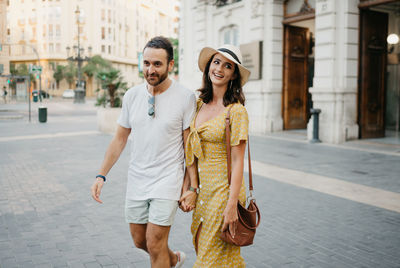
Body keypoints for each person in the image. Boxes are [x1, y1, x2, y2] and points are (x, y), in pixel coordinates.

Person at [90, 36, 196, 268]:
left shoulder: (185, 97)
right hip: (138, 179)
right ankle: (174, 259)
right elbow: (119, 139)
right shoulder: (132, 96)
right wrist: (101, 175)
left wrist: (190, 186)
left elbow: (190, 147)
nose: (150, 69)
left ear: (170, 65)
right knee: (140, 241)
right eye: (146, 63)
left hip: (168, 180)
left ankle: (166, 259)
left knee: (155, 242)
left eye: (157, 64)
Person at [180, 44, 251, 267]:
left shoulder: (236, 111)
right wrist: (189, 187)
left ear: (233, 75)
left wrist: (232, 204)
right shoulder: (198, 104)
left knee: (208, 260)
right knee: (207, 249)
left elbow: (239, 161)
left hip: (224, 193)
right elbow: (190, 150)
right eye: (216, 62)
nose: (219, 69)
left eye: (227, 66)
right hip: (203, 193)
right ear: (209, 66)